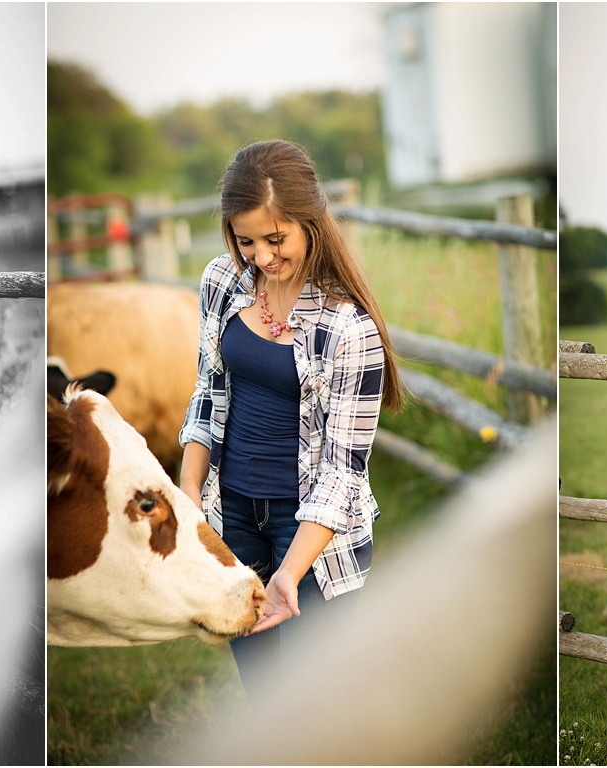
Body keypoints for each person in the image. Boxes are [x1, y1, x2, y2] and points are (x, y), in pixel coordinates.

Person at [177, 139, 404, 695]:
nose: (260, 256)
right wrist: (190, 499)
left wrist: (290, 573)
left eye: (275, 239)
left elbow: (341, 473)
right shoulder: (222, 282)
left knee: (316, 703)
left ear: (311, 221)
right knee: (262, 693)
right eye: (245, 240)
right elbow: (208, 393)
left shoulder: (348, 329)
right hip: (231, 516)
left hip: (311, 535)